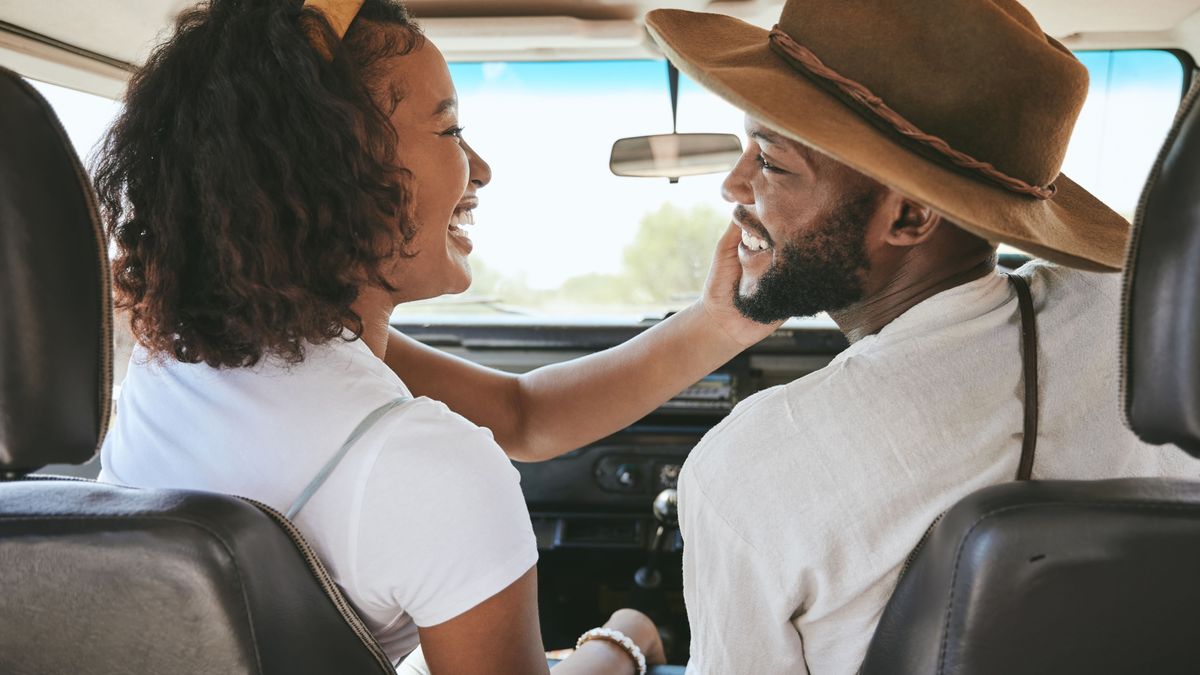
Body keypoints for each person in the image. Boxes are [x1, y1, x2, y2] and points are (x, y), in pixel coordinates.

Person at [93, 1, 776, 673]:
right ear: (333, 167)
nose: (479, 168)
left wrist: (722, 320)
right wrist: (622, 641)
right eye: (449, 133)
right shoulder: (422, 464)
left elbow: (523, 413)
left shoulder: (177, 357)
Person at [636, 0, 1200, 673]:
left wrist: (620, 647)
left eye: (771, 162)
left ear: (909, 214)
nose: (732, 185)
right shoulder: (1143, 333)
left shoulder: (748, 470)